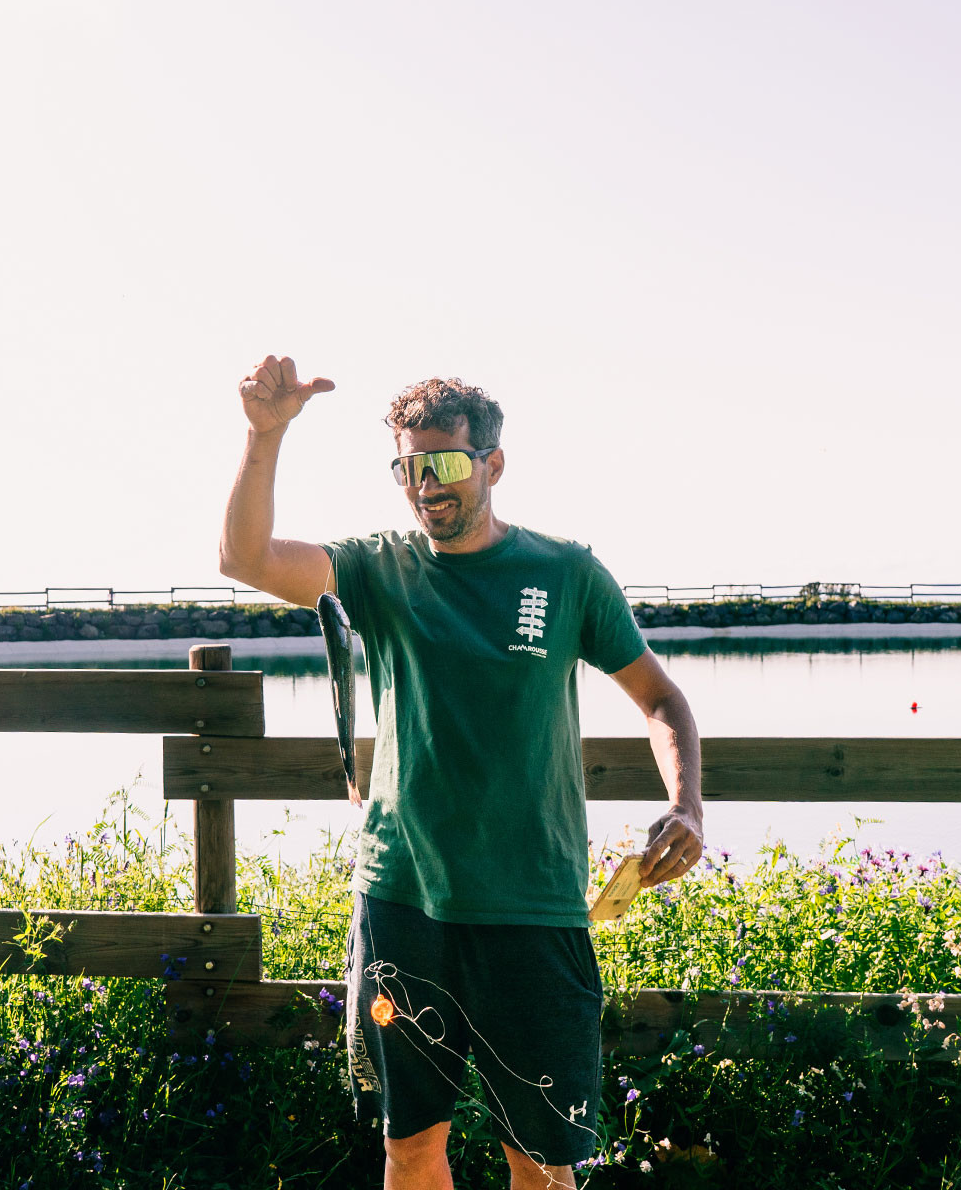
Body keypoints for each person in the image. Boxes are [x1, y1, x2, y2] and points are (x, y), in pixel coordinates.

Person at [220, 355, 704, 1190]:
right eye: (408, 469)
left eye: (443, 463)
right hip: (405, 901)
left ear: (493, 464)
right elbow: (247, 557)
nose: (425, 486)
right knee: (410, 1146)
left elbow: (661, 698)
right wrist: (265, 437)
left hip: (536, 903)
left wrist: (687, 805)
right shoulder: (379, 568)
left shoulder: (567, 574)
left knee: (545, 1162)